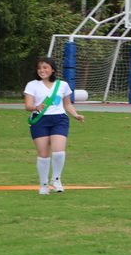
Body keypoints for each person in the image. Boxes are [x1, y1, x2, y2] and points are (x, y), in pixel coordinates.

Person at [23, 57, 85, 194]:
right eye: (39, 68)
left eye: (45, 67)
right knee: (43, 153)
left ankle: (56, 179)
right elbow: (27, 106)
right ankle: (44, 184)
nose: (42, 70)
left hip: (59, 119)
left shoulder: (62, 85)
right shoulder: (32, 85)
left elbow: (67, 104)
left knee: (58, 151)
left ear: (52, 70)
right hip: (40, 121)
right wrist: (35, 107)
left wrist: (76, 115)